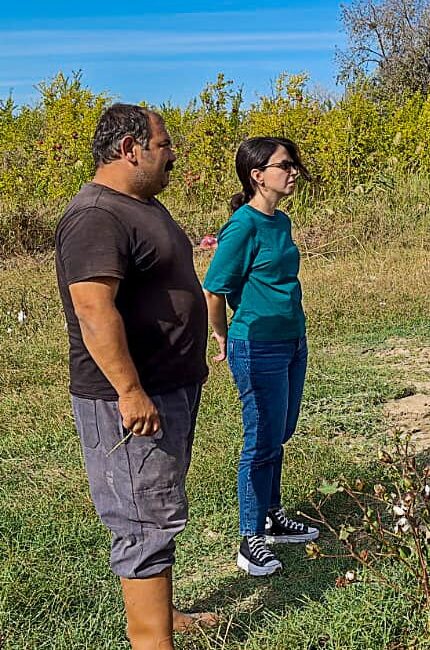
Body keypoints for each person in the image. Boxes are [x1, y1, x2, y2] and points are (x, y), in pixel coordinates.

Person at [55, 103, 217, 649]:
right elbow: (93, 310)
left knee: (158, 503)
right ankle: (151, 641)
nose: (172, 154)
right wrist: (129, 390)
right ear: (131, 149)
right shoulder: (97, 216)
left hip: (169, 387)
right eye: (164, 144)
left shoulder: (141, 204)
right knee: (142, 520)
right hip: (131, 398)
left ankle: (163, 614)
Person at [203, 137, 319, 577]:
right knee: (261, 438)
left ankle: (272, 517)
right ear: (257, 175)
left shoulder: (281, 222)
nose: (292, 172)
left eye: (292, 164)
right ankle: (250, 537)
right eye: (283, 165)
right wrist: (221, 335)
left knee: (280, 430)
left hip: (291, 340)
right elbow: (214, 288)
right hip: (256, 345)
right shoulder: (242, 226)